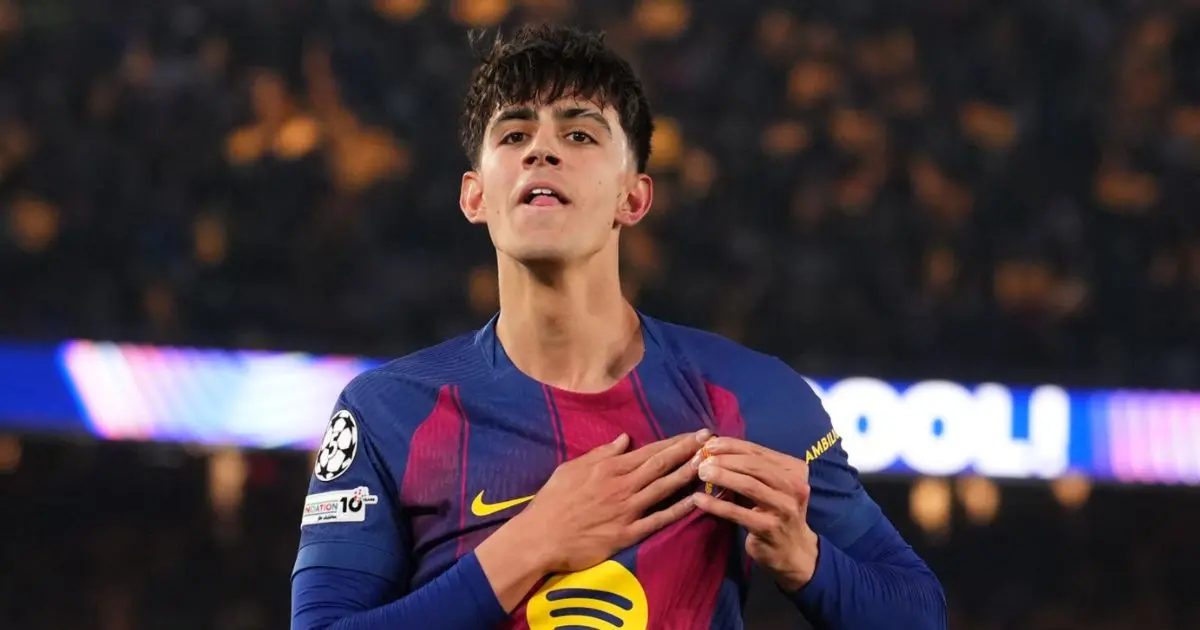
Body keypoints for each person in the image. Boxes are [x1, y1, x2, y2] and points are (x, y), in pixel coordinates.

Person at [290, 24, 946, 630]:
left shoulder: (753, 398)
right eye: (514, 136)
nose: (541, 150)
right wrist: (532, 542)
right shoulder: (386, 413)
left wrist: (805, 558)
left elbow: (919, 613)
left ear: (633, 197)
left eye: (579, 135)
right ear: (475, 195)